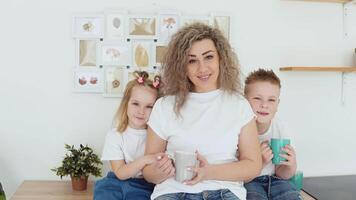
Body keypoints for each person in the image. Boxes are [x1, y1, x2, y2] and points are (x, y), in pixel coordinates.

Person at [142, 23, 262, 200]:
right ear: (182, 66)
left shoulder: (238, 104)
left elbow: (253, 166)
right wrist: (160, 171)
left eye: (208, 57)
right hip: (173, 192)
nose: (202, 68)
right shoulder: (164, 106)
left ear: (221, 58)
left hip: (224, 192)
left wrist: (209, 172)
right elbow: (148, 171)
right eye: (192, 60)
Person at [94, 71, 163, 200]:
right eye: (136, 104)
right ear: (126, 104)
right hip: (115, 182)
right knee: (104, 194)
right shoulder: (115, 135)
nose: (141, 111)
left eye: (149, 107)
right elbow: (120, 172)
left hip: (144, 185)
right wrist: (145, 159)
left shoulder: (157, 137)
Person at [243, 68, 301, 200]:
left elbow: (283, 174)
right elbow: (238, 175)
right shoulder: (238, 129)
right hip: (249, 182)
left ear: (277, 104)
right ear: (244, 101)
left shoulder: (282, 128)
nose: (264, 105)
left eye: (271, 100)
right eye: (257, 98)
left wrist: (291, 165)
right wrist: (259, 162)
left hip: (277, 181)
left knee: (291, 195)